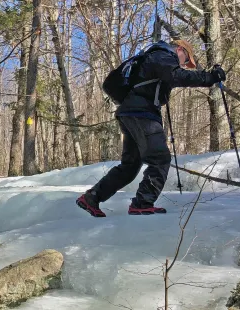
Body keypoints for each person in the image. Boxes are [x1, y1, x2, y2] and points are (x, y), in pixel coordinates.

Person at [76, 39, 226, 217]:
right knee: (160, 159)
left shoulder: (154, 57)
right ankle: (142, 203)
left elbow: (168, 78)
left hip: (132, 112)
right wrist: (210, 77)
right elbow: (178, 76)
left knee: (130, 166)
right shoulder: (162, 55)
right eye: (186, 60)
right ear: (180, 49)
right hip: (142, 113)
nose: (185, 64)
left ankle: (92, 198)